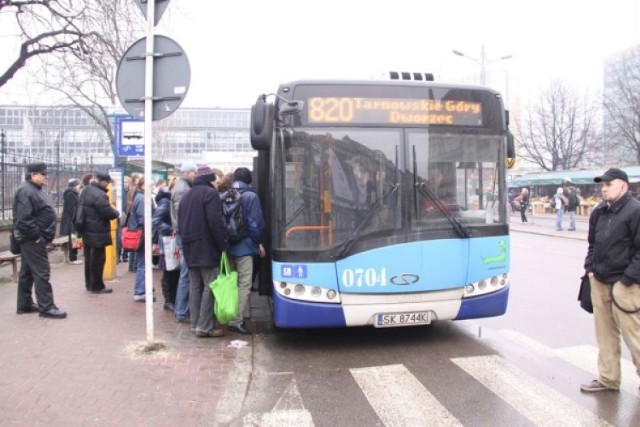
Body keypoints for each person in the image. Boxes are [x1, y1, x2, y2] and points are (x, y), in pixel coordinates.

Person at [581, 167, 640, 393]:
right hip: (600, 280)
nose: (603, 189)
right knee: (604, 334)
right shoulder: (599, 212)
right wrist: (590, 268)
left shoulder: (635, 211)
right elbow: (592, 244)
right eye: (602, 185)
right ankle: (608, 378)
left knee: (634, 335)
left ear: (623, 186)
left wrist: (627, 280)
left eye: (608, 184)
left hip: (625, 284)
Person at [178, 165, 228, 337]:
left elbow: (180, 223)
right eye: (214, 179)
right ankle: (205, 326)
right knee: (210, 285)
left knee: (195, 285)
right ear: (209, 179)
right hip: (206, 247)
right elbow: (215, 221)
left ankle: (195, 323)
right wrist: (223, 244)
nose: (215, 182)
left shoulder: (187, 196)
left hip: (189, 247)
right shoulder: (210, 194)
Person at [13, 162, 67, 318]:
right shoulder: (25, 191)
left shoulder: (34, 190)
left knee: (27, 272)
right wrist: (37, 236)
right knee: (42, 272)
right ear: (33, 174)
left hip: (34, 238)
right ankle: (47, 307)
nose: (46, 177)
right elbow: (23, 219)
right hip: (32, 240)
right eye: (43, 174)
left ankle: (24, 304)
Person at [224, 167, 265, 335]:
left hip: (229, 246)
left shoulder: (226, 194)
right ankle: (236, 320)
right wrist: (258, 243)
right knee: (245, 284)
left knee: (232, 282)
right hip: (245, 247)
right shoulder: (250, 196)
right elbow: (256, 224)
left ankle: (228, 314)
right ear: (250, 180)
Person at [81, 171, 121, 294]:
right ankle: (97, 285)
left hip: (87, 229)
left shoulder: (86, 190)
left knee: (89, 259)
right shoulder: (100, 195)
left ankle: (89, 283)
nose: (108, 186)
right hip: (98, 230)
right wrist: (117, 213)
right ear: (103, 182)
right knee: (98, 259)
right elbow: (107, 212)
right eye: (107, 183)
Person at [171, 162, 198, 323]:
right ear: (188, 173)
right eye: (194, 172)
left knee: (186, 273)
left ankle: (181, 309)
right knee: (186, 273)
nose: (195, 175)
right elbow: (183, 215)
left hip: (182, 234)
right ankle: (181, 310)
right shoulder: (183, 190)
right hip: (185, 235)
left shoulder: (181, 187)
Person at [152, 185, 179, 312]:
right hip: (167, 242)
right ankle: (168, 301)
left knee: (171, 271)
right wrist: (170, 229)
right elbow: (155, 221)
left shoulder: (165, 201)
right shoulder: (165, 202)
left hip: (167, 242)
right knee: (169, 271)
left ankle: (170, 300)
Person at [128, 176, 150, 302]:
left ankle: (141, 289)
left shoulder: (138, 197)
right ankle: (140, 291)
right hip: (142, 234)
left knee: (141, 263)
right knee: (142, 264)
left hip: (139, 233)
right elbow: (143, 219)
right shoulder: (142, 199)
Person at [60, 178, 82, 264]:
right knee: (74, 238)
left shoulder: (70, 193)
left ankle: (74, 257)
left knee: (75, 238)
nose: (80, 188)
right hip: (73, 221)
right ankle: (73, 258)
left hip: (72, 220)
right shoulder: (72, 194)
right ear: (76, 186)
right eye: (79, 186)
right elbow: (73, 208)